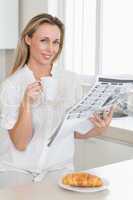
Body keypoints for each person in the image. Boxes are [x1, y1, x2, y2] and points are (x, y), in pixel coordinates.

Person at [0, 13, 113, 187]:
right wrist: (26, 105)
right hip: (17, 172)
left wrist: (99, 129)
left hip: (59, 172)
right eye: (44, 40)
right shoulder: (12, 85)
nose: (51, 49)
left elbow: (76, 131)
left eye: (56, 42)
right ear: (28, 39)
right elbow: (20, 144)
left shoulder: (71, 80)